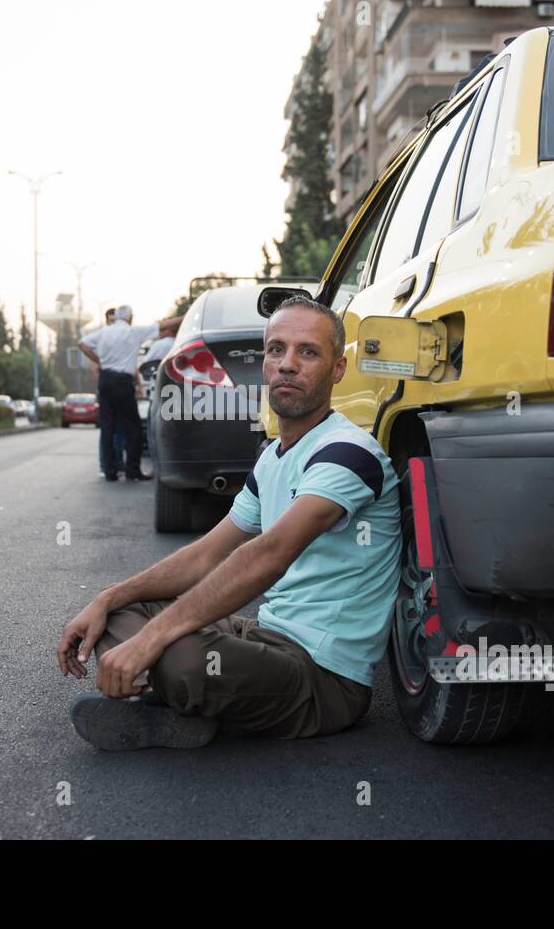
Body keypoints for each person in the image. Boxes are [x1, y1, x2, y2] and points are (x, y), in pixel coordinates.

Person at [57, 296, 401, 749]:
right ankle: (190, 709)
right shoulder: (275, 457)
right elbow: (205, 555)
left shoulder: (348, 452)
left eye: (308, 352)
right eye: (276, 350)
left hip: (323, 677)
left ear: (338, 369)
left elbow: (270, 554)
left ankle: (174, 702)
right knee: (122, 615)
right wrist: (107, 597)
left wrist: (153, 639)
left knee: (181, 656)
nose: (287, 365)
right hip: (262, 636)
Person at [78, 305, 180, 481]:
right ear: (130, 317)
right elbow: (164, 325)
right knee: (132, 427)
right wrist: (186, 315)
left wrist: (98, 360)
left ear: (116, 317)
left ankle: (110, 472)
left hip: (105, 379)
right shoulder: (134, 332)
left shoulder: (103, 332)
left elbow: (82, 343)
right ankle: (132, 470)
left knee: (107, 427)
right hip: (122, 382)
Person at [95, 308, 126, 479]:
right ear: (107, 321)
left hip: (121, 386)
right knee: (108, 428)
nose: (114, 323)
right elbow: (97, 366)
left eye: (116, 320)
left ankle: (118, 463)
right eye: (111, 320)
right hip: (107, 387)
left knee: (120, 428)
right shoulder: (104, 339)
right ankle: (105, 465)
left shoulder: (122, 339)